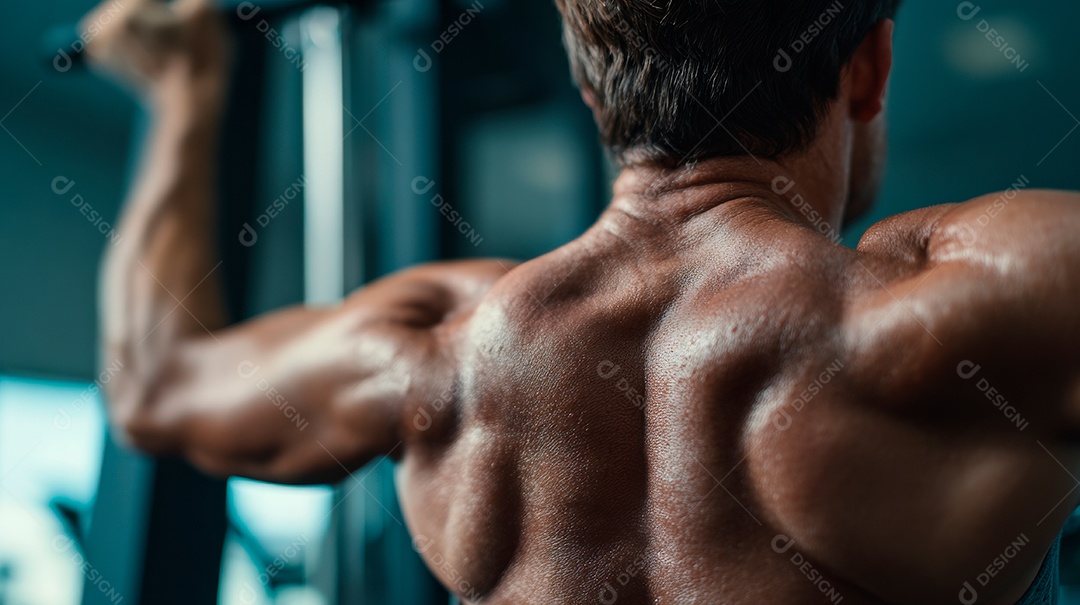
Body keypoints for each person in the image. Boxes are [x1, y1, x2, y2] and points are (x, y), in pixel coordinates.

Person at [85, 0, 1079, 602]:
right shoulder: (968, 301)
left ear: (593, 93)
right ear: (870, 68)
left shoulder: (444, 349)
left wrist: (183, 89)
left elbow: (152, 383)